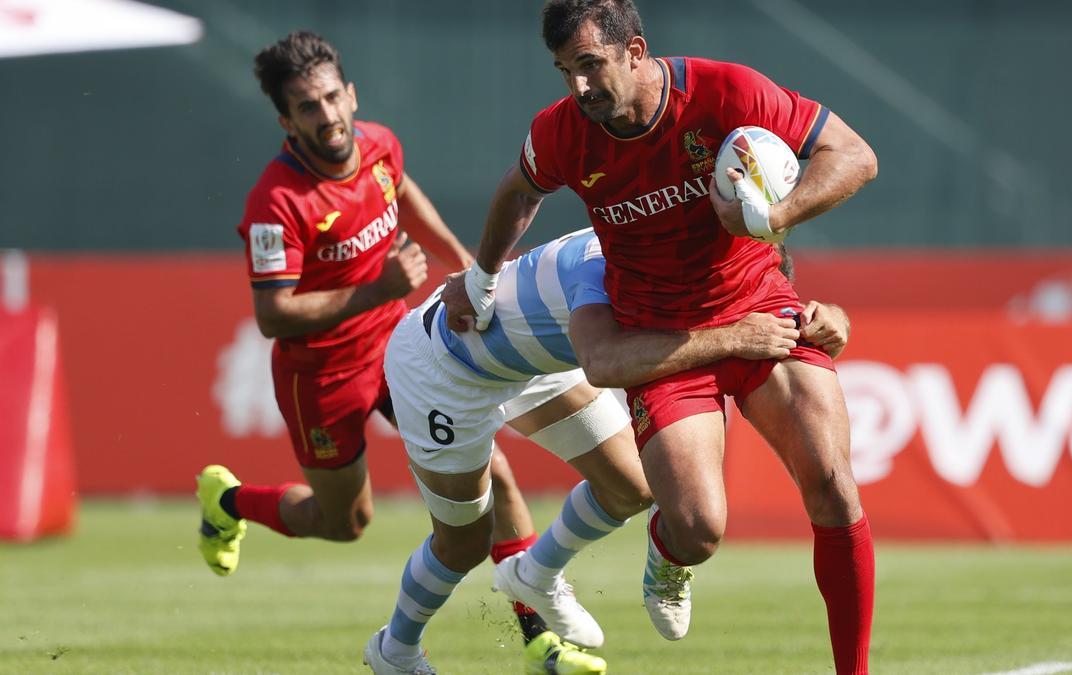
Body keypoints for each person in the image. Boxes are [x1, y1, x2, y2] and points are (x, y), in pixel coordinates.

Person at [442, 2, 878, 673]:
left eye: (590, 65)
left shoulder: (726, 92)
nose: (578, 87)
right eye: (565, 71)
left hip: (759, 304)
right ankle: (669, 554)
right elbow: (518, 191)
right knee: (700, 529)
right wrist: (479, 276)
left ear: (636, 51)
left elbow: (854, 155)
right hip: (661, 337)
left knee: (833, 486)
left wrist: (776, 214)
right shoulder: (563, 132)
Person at [194, 31, 587, 671]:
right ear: (286, 122)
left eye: (330, 98)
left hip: (399, 348)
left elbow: (401, 193)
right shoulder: (277, 203)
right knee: (343, 521)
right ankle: (227, 502)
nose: (326, 117)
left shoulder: (380, 146)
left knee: (488, 471)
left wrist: (469, 269)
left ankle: (539, 636)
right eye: (307, 108)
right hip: (318, 375)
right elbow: (273, 315)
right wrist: (372, 287)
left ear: (350, 94)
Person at [364, 227, 851, 674]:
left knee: (634, 486)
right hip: (444, 367)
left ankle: (533, 573)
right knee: (464, 543)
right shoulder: (612, 267)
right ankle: (396, 651)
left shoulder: (683, 261)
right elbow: (606, 363)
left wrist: (831, 318)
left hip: (532, 355)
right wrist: (737, 336)